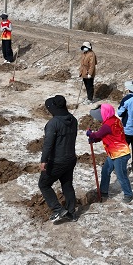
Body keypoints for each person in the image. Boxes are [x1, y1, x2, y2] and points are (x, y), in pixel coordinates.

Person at [39, 95, 79, 223]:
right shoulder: (73, 120)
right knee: (67, 184)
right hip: (71, 158)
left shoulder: (53, 124)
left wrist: (44, 160)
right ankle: (71, 212)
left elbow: (48, 144)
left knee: (44, 184)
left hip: (57, 161)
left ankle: (58, 209)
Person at [87, 104, 133, 203]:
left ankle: (128, 194)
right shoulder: (114, 120)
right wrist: (94, 140)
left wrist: (91, 135)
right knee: (105, 171)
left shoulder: (108, 124)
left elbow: (98, 134)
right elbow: (105, 135)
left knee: (121, 175)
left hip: (120, 154)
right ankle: (103, 191)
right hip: (113, 153)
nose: (99, 119)